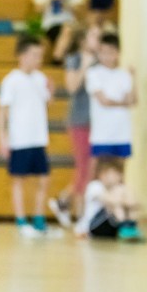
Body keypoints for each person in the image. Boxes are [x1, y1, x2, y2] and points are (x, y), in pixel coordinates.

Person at [0, 35, 54, 237]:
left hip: (38, 137)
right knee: (18, 180)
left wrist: (51, 93)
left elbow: (46, 103)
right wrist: (2, 138)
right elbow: (2, 111)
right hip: (20, 138)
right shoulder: (11, 80)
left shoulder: (41, 79)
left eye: (40, 55)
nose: (38, 59)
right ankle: (21, 220)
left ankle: (39, 217)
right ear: (22, 56)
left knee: (44, 178)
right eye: (34, 55)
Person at [50, 25, 101, 227]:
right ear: (83, 40)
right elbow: (72, 87)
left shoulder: (101, 61)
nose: (98, 40)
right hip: (80, 120)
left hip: (98, 122)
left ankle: (64, 201)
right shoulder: (75, 59)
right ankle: (80, 213)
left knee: (92, 169)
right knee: (83, 168)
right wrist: (84, 67)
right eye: (94, 35)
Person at [86, 33, 136, 162]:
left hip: (122, 133)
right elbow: (104, 101)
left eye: (111, 52)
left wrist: (133, 78)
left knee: (119, 173)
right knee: (99, 172)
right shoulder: (94, 73)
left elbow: (133, 100)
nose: (107, 56)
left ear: (118, 53)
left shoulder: (124, 74)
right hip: (102, 134)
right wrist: (124, 103)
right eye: (103, 52)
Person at [75, 157, 142, 241]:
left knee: (123, 190)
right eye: (115, 174)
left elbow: (133, 203)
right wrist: (127, 201)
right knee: (116, 202)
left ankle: (130, 227)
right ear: (103, 174)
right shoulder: (95, 186)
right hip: (93, 226)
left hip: (109, 227)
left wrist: (129, 201)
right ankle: (125, 226)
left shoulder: (116, 188)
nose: (119, 177)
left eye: (119, 174)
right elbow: (112, 201)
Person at [33, 0, 84, 64]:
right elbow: (37, 9)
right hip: (51, 25)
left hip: (71, 24)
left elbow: (80, 10)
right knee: (67, 31)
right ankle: (59, 58)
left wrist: (65, 3)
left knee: (68, 30)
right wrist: (50, 0)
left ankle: (57, 58)